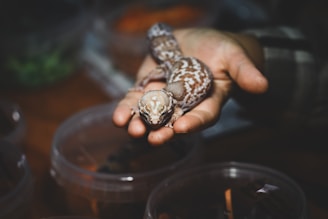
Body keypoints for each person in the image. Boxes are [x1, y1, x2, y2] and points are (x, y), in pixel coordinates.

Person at [112, 1, 328, 146]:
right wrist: (144, 87)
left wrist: (143, 87)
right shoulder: (171, 94)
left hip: (181, 66)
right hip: (179, 66)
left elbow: (175, 110)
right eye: (150, 115)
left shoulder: (176, 105)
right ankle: (159, 38)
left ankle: (159, 38)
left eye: (156, 115)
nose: (156, 120)